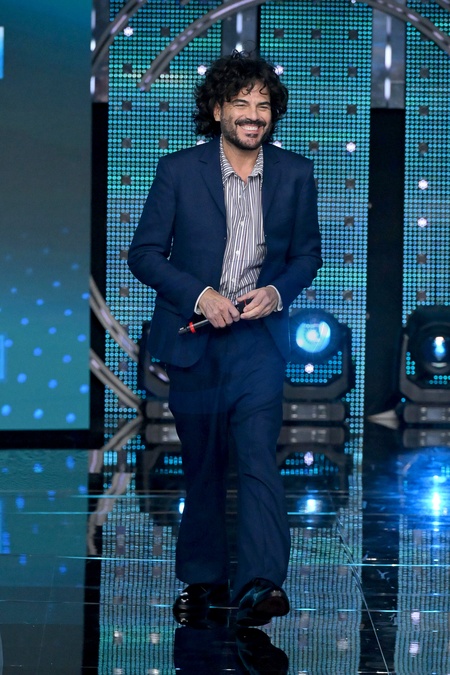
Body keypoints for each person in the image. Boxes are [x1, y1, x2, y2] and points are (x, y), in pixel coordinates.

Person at [128, 51, 322, 626]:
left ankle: (262, 583)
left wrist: (277, 292)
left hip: (259, 341)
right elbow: (144, 254)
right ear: (217, 110)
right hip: (195, 339)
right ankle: (203, 578)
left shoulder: (295, 174)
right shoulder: (178, 171)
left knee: (259, 456)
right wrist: (200, 295)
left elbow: (307, 255)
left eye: (263, 105)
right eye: (241, 103)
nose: (253, 114)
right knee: (204, 463)